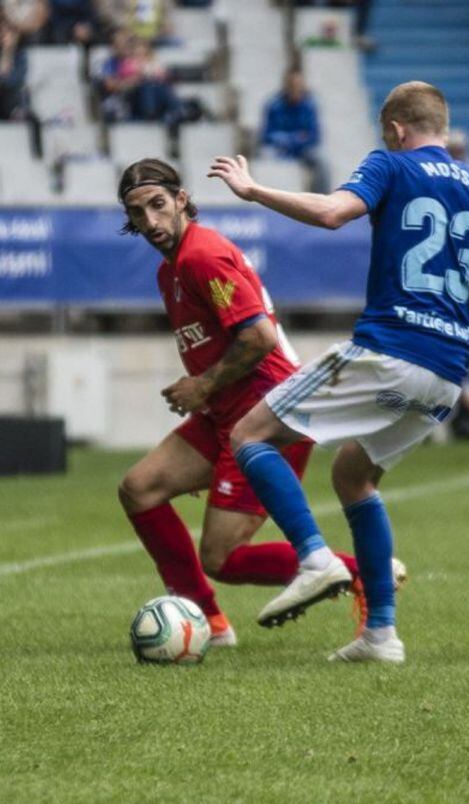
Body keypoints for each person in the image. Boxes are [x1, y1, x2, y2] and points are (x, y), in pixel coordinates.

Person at [207, 81, 469, 664]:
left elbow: (330, 212)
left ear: (396, 130)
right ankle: (381, 636)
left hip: (391, 350)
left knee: (249, 436)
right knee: (354, 476)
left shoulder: (390, 165)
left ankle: (315, 559)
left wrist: (252, 190)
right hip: (447, 375)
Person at [115, 158, 392, 648]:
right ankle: (203, 623)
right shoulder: (171, 269)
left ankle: (367, 572)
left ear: (181, 200)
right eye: (138, 214)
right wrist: (205, 391)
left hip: (266, 415)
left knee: (222, 558)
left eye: (158, 206)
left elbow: (259, 338)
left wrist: (200, 385)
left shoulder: (203, 255)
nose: (150, 222)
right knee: (139, 489)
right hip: (223, 410)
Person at [260, 69, 329, 194]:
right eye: (292, 86)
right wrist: (295, 138)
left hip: (302, 150)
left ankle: (323, 200)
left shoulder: (309, 106)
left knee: (322, 163)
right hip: (279, 149)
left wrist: (291, 140)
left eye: (298, 86)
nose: (295, 89)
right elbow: (266, 136)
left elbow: (314, 136)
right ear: (286, 86)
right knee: (265, 155)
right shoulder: (273, 105)